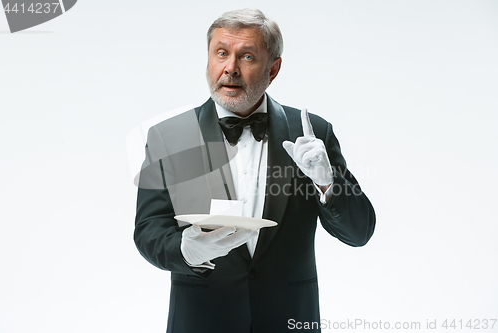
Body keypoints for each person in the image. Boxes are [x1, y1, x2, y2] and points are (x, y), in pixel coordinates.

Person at [134, 8, 375, 333]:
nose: (230, 68)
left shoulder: (310, 133)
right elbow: (148, 229)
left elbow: (359, 232)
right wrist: (185, 250)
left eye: (246, 56)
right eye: (221, 53)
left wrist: (327, 183)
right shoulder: (171, 137)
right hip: (201, 322)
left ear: (273, 68)